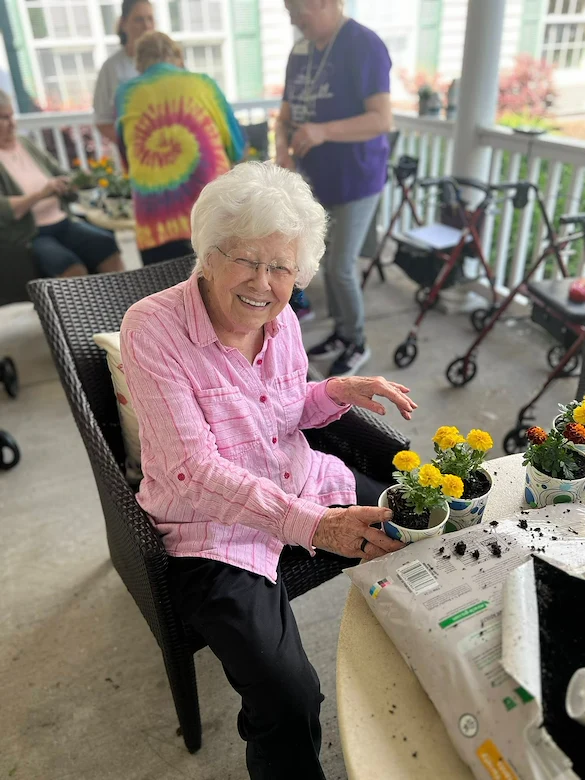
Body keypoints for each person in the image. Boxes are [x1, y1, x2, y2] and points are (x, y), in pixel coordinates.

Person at [120, 162, 417, 779]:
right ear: (207, 254)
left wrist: (336, 389)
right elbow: (193, 472)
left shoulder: (280, 320)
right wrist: (315, 526)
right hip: (212, 532)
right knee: (288, 696)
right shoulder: (152, 328)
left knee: (413, 532)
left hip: (295, 480)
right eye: (246, 260)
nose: (263, 283)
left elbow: (284, 405)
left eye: (282, 267)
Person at [276, 0, 393, 377]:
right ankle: (341, 333)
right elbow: (286, 116)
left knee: (341, 266)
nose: (293, 18)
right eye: (288, 10)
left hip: (357, 179)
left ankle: (357, 341)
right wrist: (283, 151)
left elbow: (381, 119)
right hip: (314, 180)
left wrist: (323, 131)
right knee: (321, 262)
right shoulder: (300, 51)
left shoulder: (364, 45)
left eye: (298, 9)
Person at [115, 31, 245, 266]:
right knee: (214, 289)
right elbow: (235, 145)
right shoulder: (202, 83)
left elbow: (127, 156)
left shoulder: (127, 94)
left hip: (154, 216)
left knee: (160, 293)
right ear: (177, 57)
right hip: (210, 209)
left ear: (139, 64)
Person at [0, 90, 122, 278]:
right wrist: (41, 194)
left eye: (12, 116)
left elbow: (59, 173)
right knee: (70, 266)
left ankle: (124, 303)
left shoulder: (25, 143)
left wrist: (74, 181)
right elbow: (6, 210)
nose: (12, 123)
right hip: (32, 235)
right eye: (4, 118)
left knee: (106, 245)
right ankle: (83, 307)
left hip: (63, 221)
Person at [93, 0, 155, 144]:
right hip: (134, 155)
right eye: (139, 19)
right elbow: (102, 120)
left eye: (150, 18)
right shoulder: (111, 68)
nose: (146, 26)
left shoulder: (170, 62)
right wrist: (131, 144)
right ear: (123, 23)